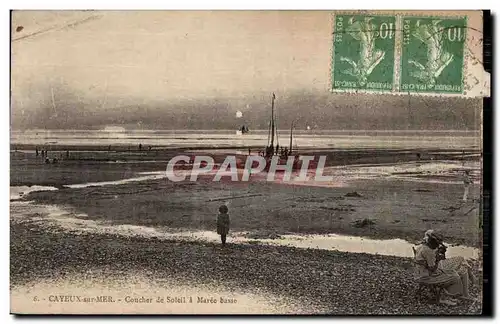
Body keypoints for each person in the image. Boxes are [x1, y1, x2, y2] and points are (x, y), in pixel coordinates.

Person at [414, 230, 473, 305]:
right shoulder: (428, 251)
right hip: (425, 276)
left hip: (422, 273)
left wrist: (439, 253)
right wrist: (438, 259)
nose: (438, 245)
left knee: (456, 271)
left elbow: (431, 262)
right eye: (437, 244)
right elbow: (432, 268)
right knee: (454, 276)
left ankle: (457, 294)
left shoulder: (424, 246)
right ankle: (444, 297)